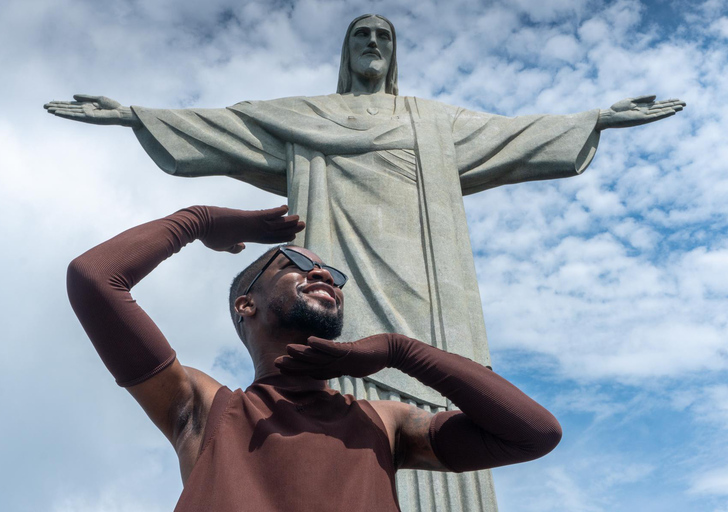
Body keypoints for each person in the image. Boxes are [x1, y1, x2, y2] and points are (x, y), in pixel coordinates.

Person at [45, 16, 686, 410]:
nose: (373, 43)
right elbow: (228, 126)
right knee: (339, 366)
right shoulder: (304, 117)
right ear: (348, 52)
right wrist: (135, 115)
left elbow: (512, 136)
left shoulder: (431, 121)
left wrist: (595, 118)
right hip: (331, 258)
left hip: (424, 277)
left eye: (383, 36)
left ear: (392, 54)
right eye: (362, 36)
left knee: (431, 382)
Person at [67, 204, 563, 511]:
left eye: (332, 274)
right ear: (247, 305)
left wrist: (400, 350)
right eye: (298, 264)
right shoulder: (201, 407)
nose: (324, 275)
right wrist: (198, 221)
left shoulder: (385, 424)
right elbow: (96, 278)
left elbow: (534, 433)